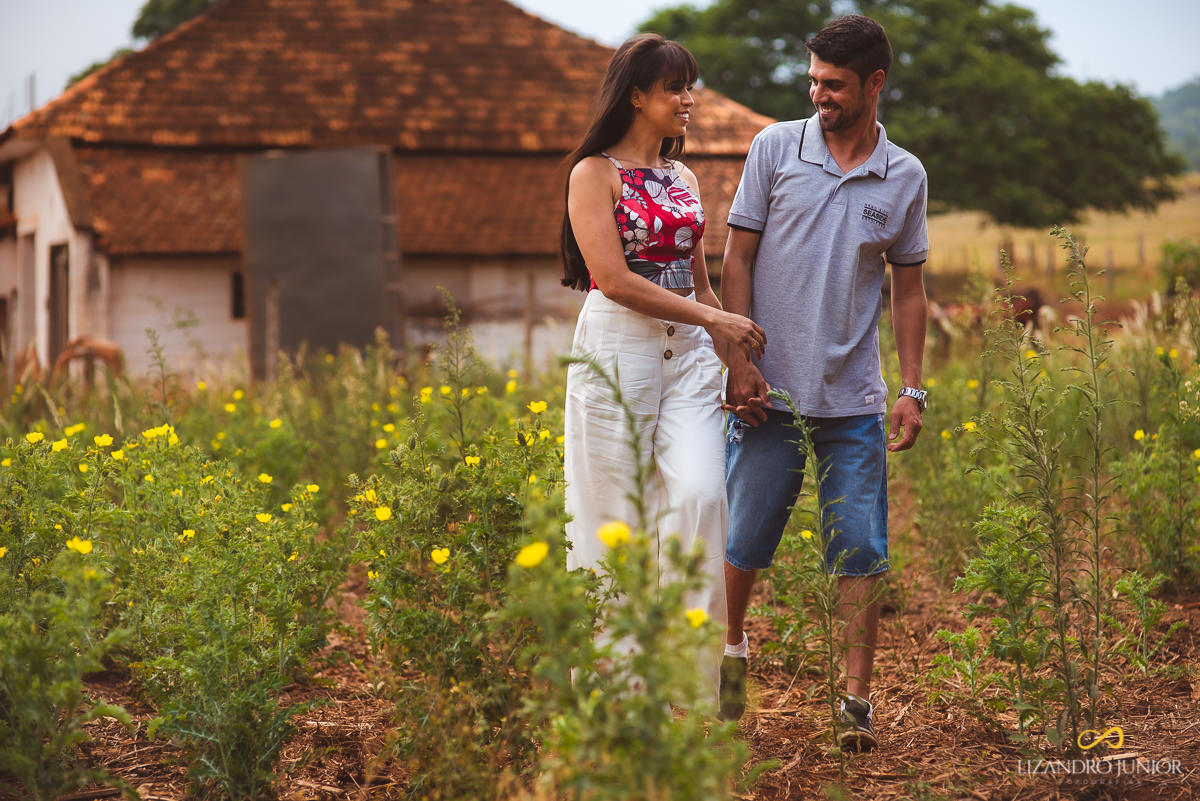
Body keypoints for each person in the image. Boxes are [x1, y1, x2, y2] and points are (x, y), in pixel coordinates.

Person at [717, 15, 930, 752]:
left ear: (874, 84)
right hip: (766, 393)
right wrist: (739, 358)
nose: (818, 94)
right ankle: (733, 648)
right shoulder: (776, 148)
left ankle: (855, 703)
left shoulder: (905, 176)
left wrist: (913, 387)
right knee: (745, 536)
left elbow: (908, 291)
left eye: (834, 84)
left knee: (860, 548)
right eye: (812, 80)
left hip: (854, 402)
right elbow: (736, 259)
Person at [561, 33, 766, 702]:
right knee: (613, 517)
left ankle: (690, 681)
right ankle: (615, 691)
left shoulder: (682, 178)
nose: (688, 98)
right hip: (619, 349)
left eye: (691, 85)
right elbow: (613, 280)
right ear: (637, 95)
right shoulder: (594, 174)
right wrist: (716, 321)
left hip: (689, 355)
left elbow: (700, 286)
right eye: (677, 87)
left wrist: (735, 359)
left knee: (703, 497)